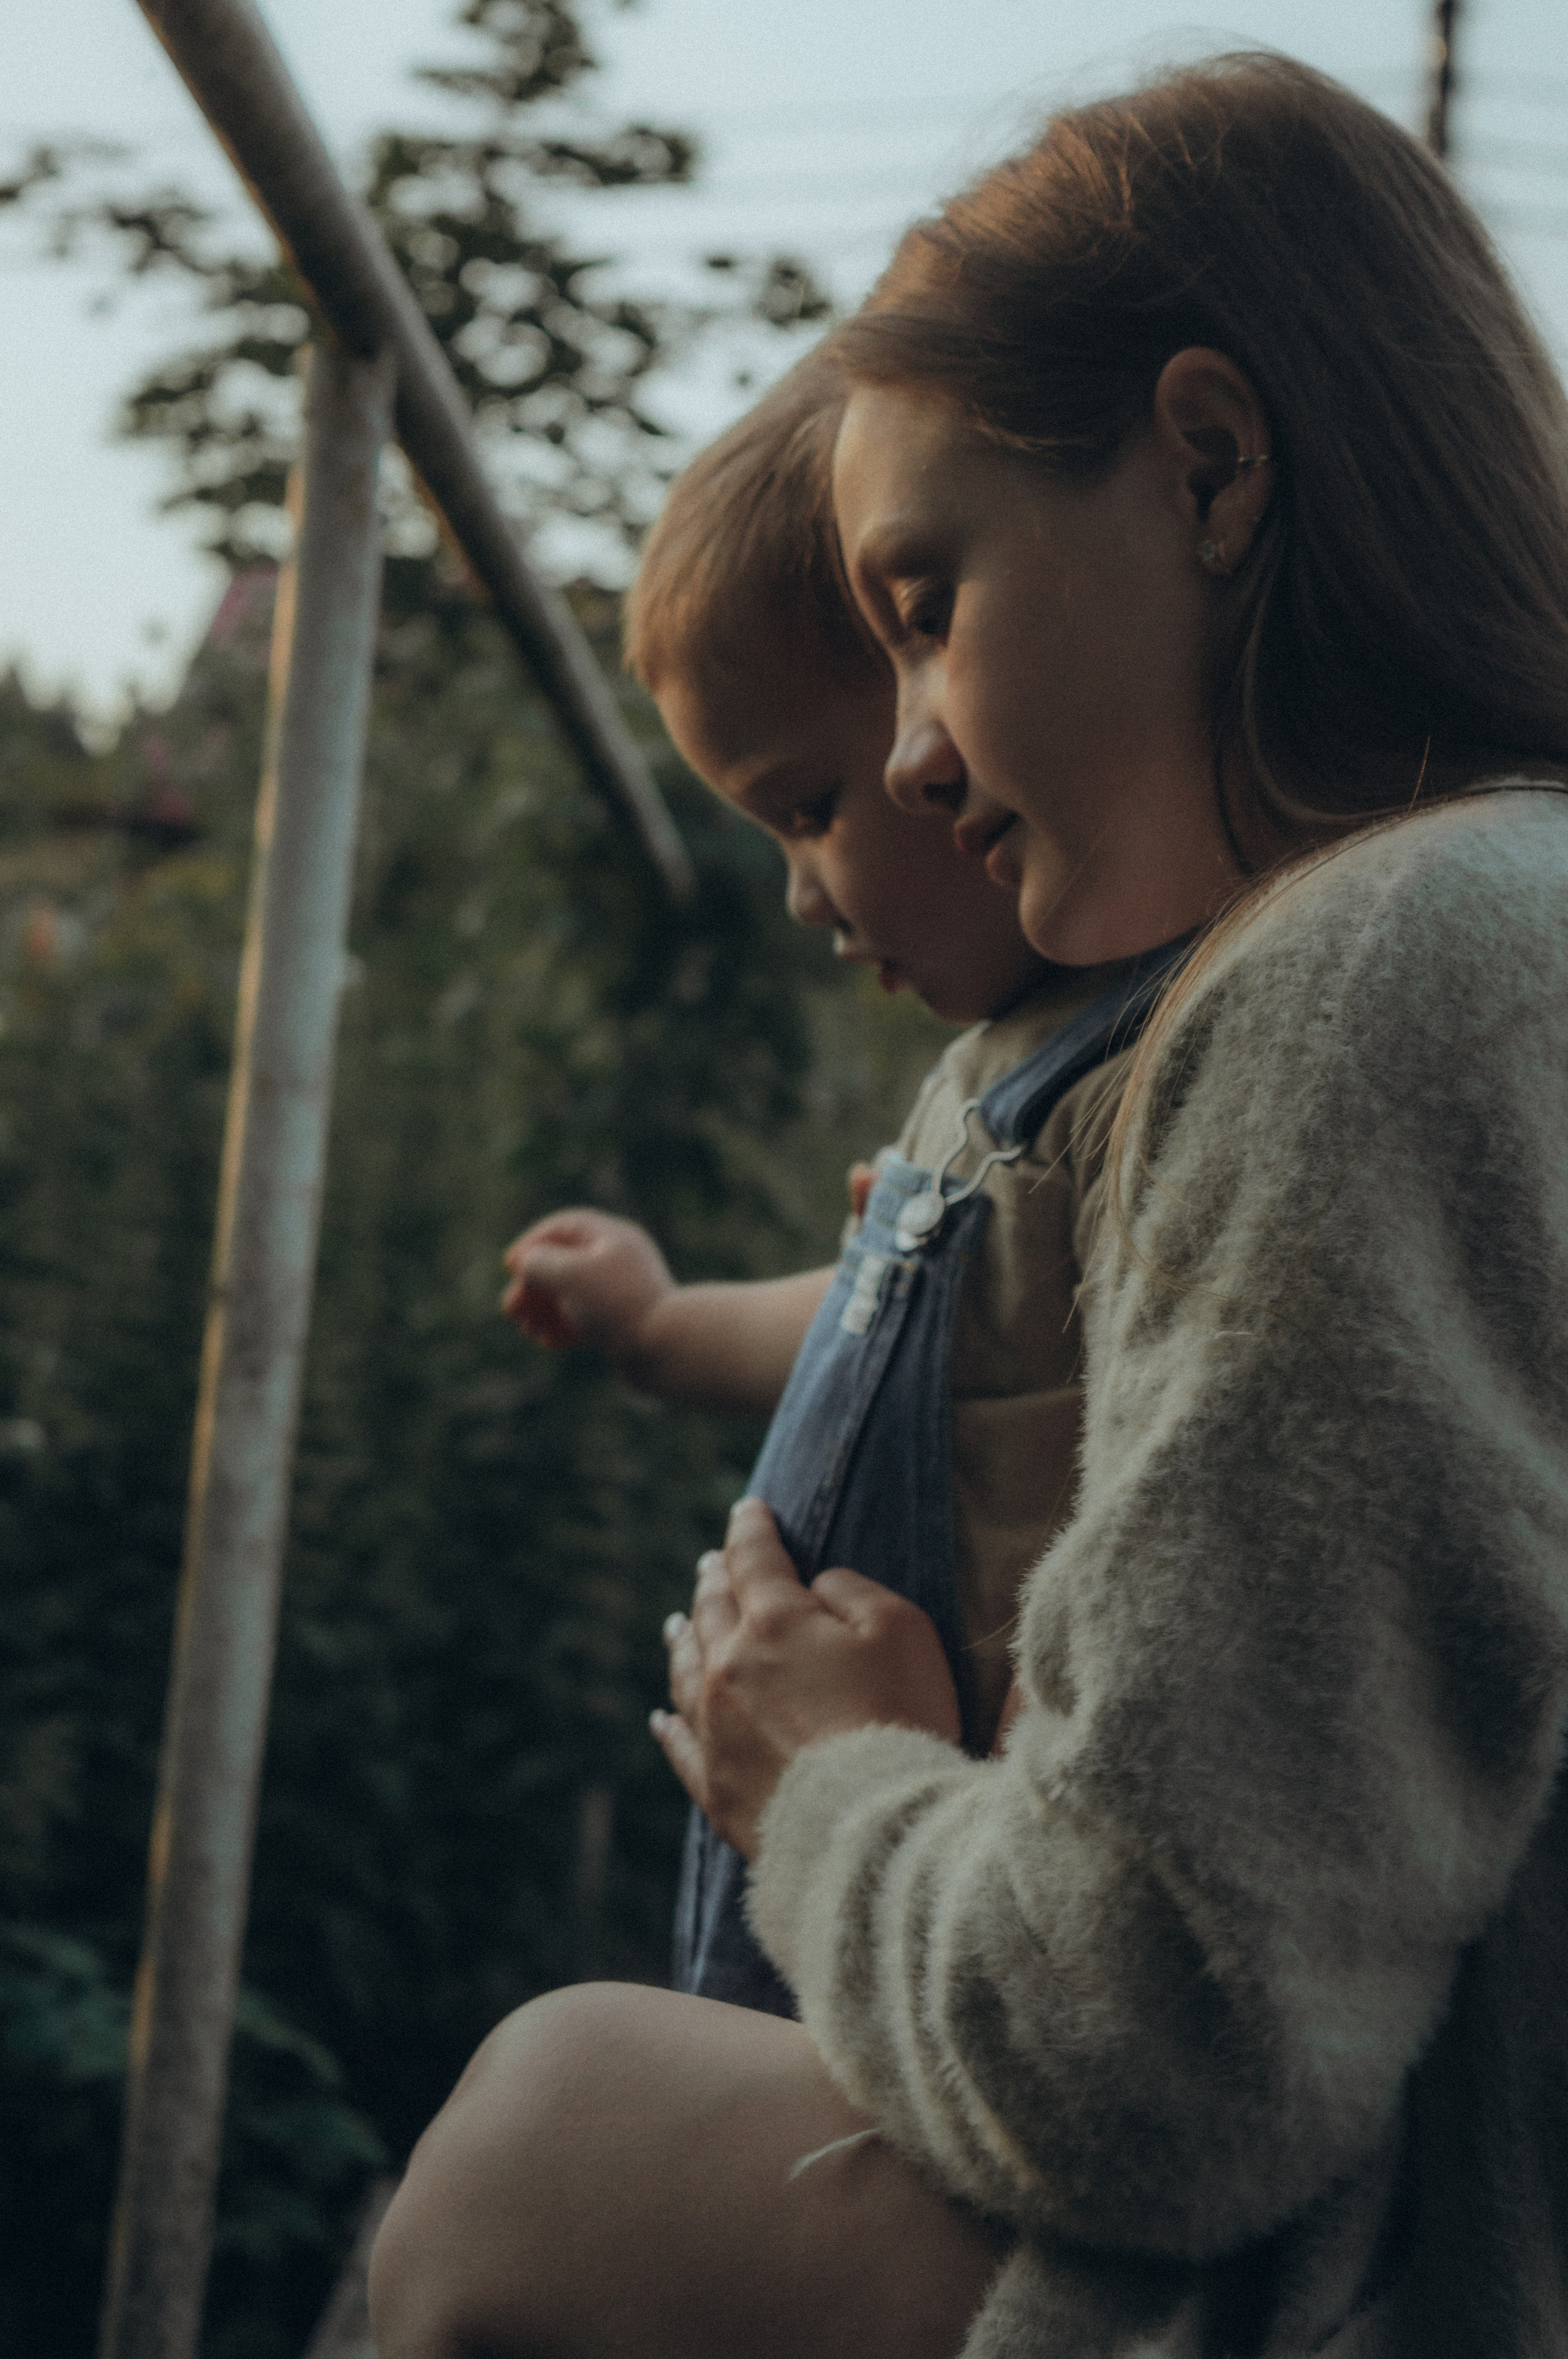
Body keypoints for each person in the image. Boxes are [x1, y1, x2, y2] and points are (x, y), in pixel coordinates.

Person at [370, 53, 1568, 2359]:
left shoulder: (1378, 982)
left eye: (926, 601)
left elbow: (1153, 2060)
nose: (914, 750)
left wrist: (826, 1786)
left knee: (546, 2115)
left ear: (1213, 466)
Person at [502, 355, 1186, 2015]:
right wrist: (663, 1324)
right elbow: (870, 1333)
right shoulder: (988, 1088)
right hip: (831, 1872)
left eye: (809, 808)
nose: (806, 895)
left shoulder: (1142, 1081)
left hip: (962, 1907)